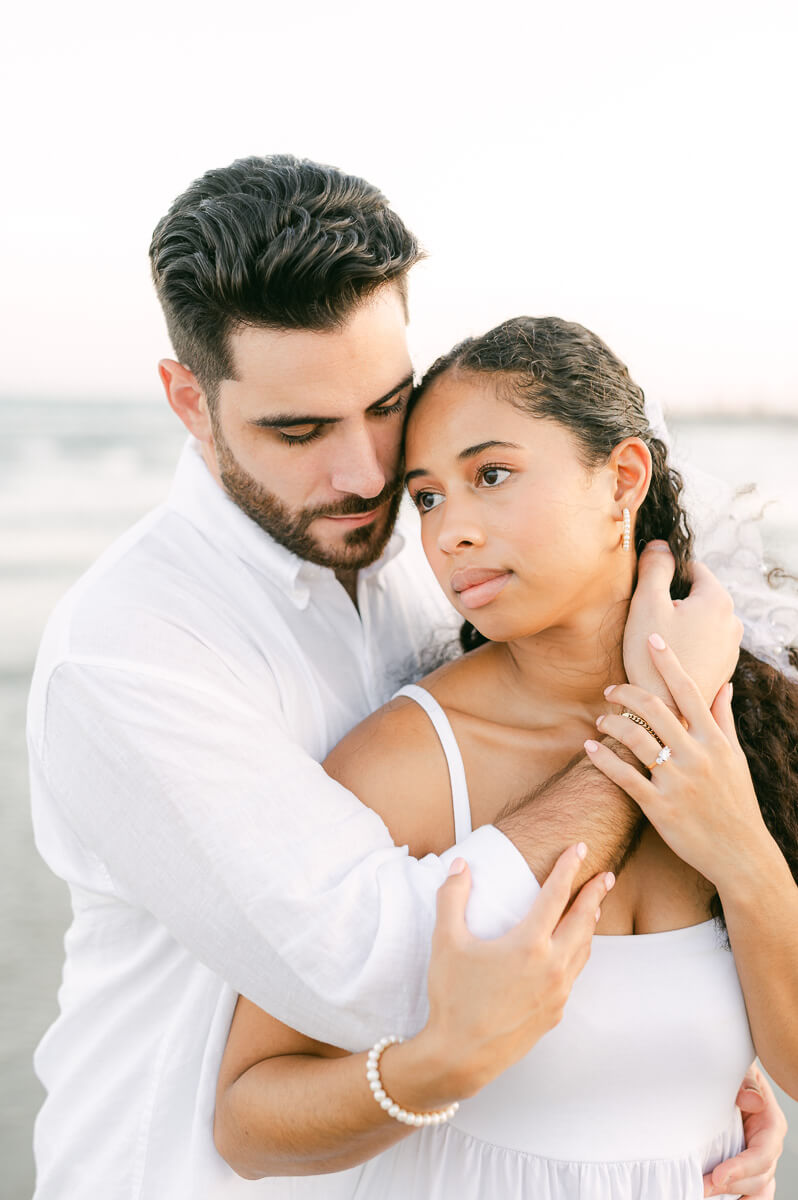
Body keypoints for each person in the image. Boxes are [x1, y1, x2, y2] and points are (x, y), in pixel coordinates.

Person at [26, 156, 785, 1200]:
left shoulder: (421, 555)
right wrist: (661, 724)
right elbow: (381, 964)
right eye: (297, 430)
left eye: (384, 406)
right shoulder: (129, 654)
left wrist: (688, 1050)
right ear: (187, 402)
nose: (366, 473)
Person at [213, 315, 798, 1199]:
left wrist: (746, 858)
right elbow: (249, 1124)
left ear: (623, 480)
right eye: (428, 497)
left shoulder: (751, 724)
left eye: (491, 475)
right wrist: (436, 1064)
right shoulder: (409, 762)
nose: (448, 533)